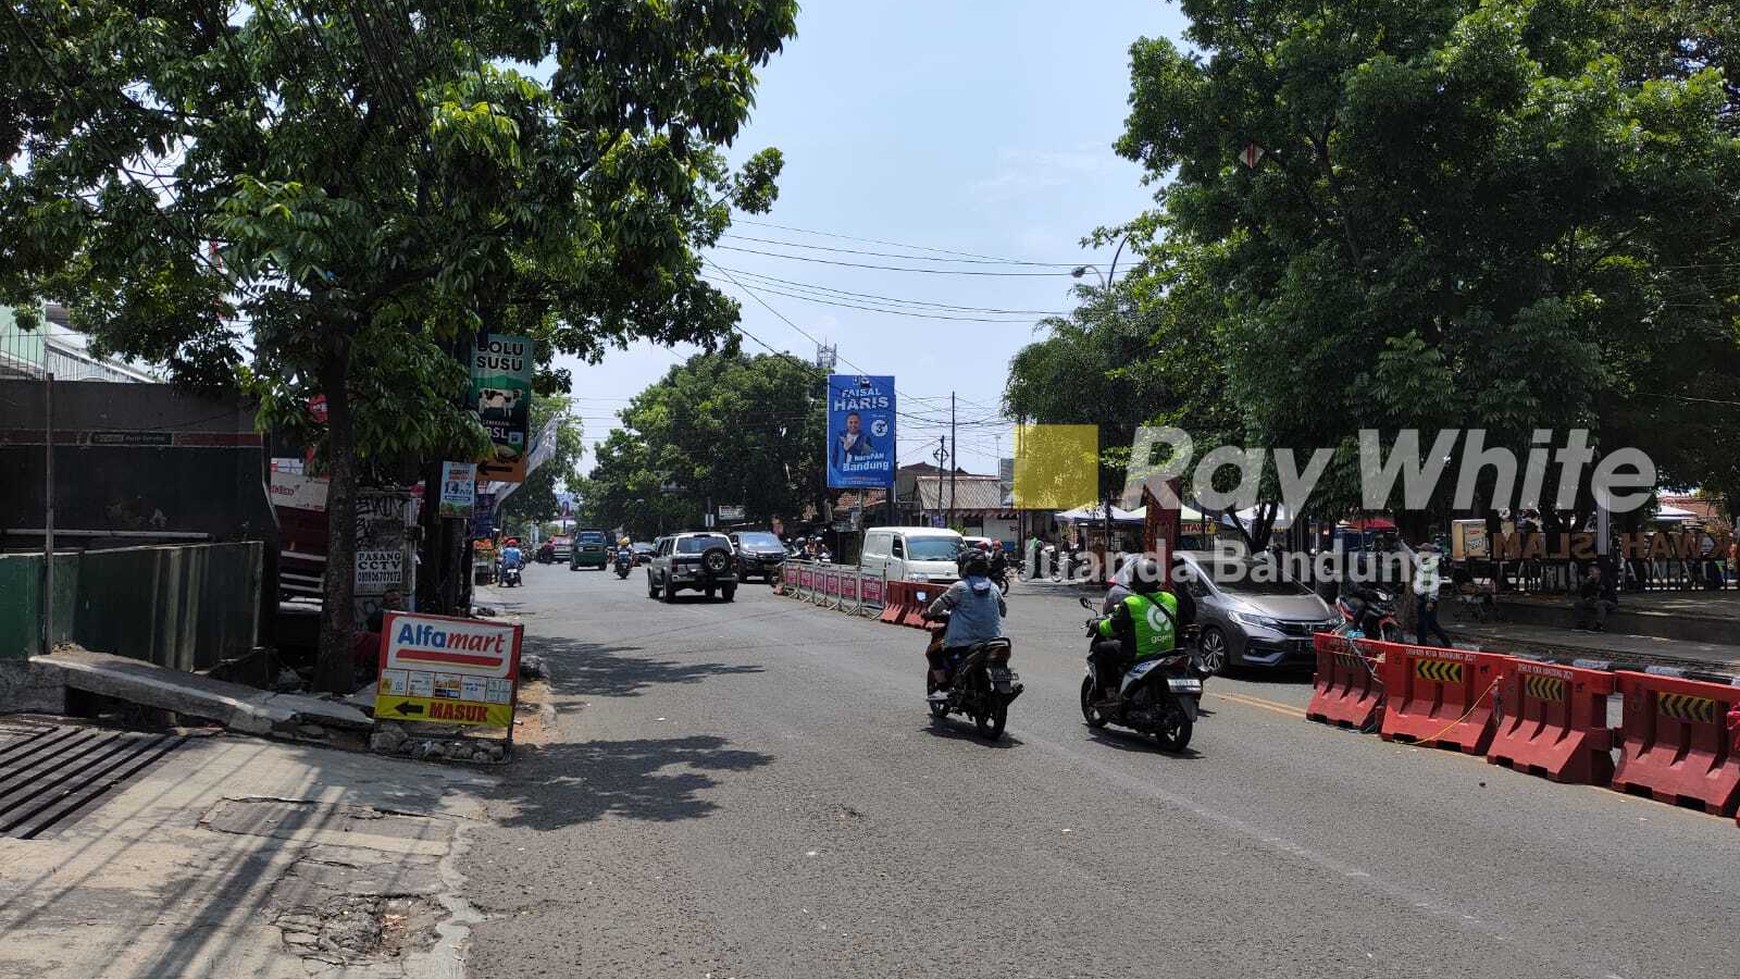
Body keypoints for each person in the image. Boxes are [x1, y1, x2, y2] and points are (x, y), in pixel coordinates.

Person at [1091, 557, 1180, 707]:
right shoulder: (1170, 599)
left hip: (1140, 653)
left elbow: (1112, 627)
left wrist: (1097, 625)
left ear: (1136, 581)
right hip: (1165, 651)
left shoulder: (1132, 603)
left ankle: (1108, 694)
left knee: (1100, 649)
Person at [922, 550, 1007, 702]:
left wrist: (928, 613)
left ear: (965, 567)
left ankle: (943, 689)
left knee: (933, 652)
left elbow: (937, 607)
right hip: (993, 640)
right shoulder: (994, 587)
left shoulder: (959, 587)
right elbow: (1003, 611)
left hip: (963, 643)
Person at [1412, 543, 1452, 647]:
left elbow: (1433, 585)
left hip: (1428, 599)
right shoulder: (1421, 562)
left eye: (1422, 551)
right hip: (1421, 597)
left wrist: (1430, 600)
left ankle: (1446, 643)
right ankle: (1422, 645)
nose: (1419, 553)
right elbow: (1409, 553)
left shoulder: (1432, 566)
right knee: (1423, 624)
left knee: (1430, 624)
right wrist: (1399, 541)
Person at [1574, 563, 1618, 631]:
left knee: (1600, 604)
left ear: (1598, 571)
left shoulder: (1606, 580)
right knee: (1578, 603)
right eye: (1589, 571)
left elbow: (1610, 594)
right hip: (1594, 601)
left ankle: (1599, 624)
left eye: (1592, 571)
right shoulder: (1590, 582)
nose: (1590, 573)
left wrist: (1599, 596)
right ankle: (1581, 623)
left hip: (1608, 601)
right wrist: (1585, 585)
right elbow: (1583, 595)